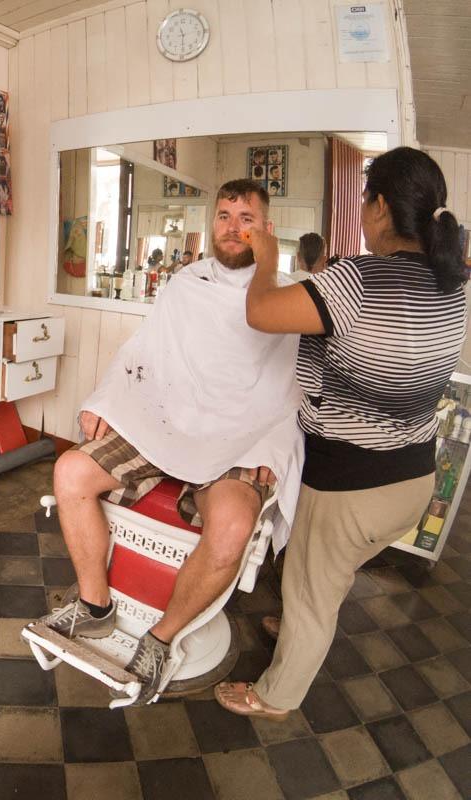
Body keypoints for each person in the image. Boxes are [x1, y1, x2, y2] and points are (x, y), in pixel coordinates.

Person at [215, 147, 467, 720]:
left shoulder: (357, 278)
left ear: (378, 207)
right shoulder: (452, 281)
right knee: (326, 573)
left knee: (309, 587)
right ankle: (306, 617)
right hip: (412, 481)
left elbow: (260, 314)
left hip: (354, 485)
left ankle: (275, 696)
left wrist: (266, 259)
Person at [41, 179, 305, 705]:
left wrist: (272, 448)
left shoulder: (286, 296)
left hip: (238, 436)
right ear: (212, 223)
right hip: (168, 420)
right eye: (224, 215)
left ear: (266, 228)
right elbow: (144, 351)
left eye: (246, 217)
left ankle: (161, 638)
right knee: (70, 472)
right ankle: (95, 607)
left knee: (232, 524)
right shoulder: (185, 284)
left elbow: (291, 385)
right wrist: (103, 399)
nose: (233, 227)